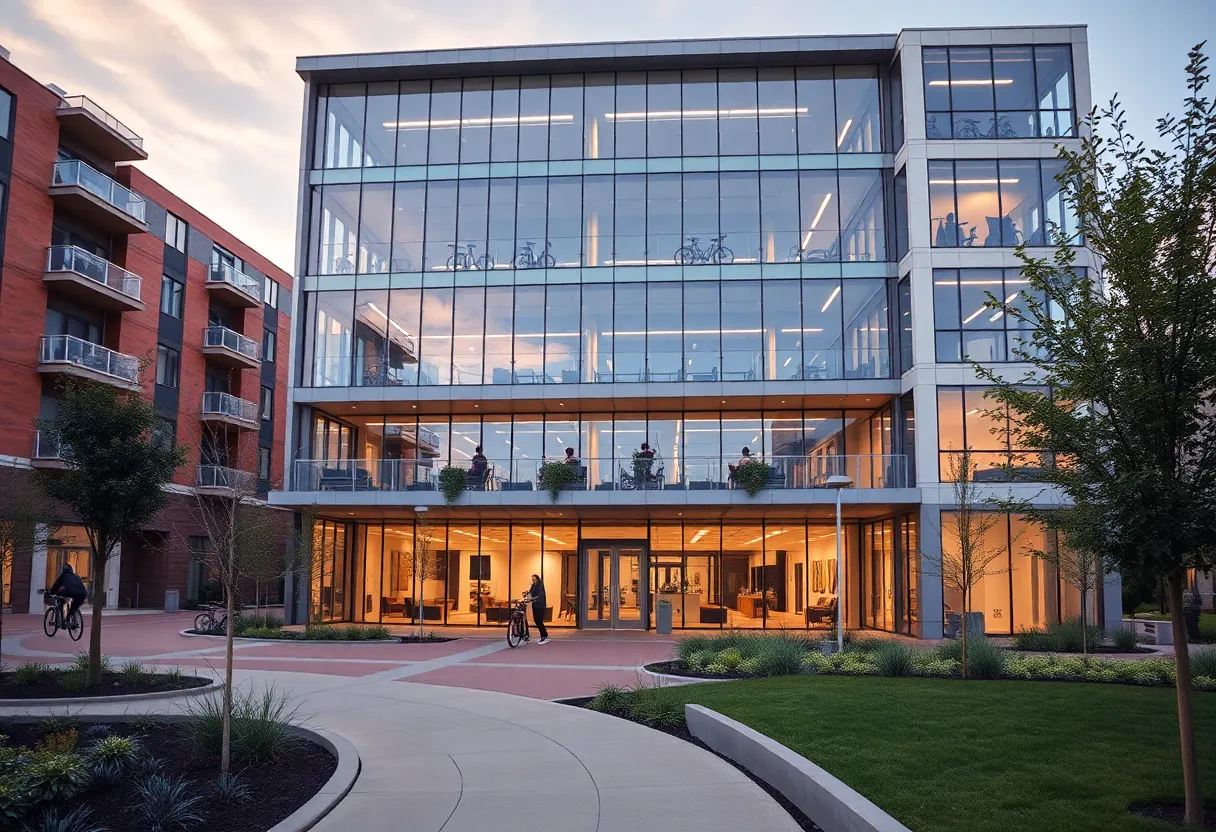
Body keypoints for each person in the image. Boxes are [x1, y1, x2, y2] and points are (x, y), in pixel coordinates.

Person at [48, 563, 87, 630]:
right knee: (74, 607)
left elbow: (56, 586)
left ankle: (64, 619)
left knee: (59, 596)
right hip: (82, 593)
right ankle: (73, 618)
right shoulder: (76, 576)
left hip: (69, 591)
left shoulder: (63, 576)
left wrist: (52, 592)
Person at [526, 574, 549, 644]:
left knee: (539, 621)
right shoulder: (533, 585)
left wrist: (532, 598)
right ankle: (544, 635)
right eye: (532, 579)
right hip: (535, 605)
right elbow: (530, 592)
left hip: (540, 605)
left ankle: (544, 636)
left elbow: (540, 595)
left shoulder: (540, 585)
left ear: (537, 579)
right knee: (536, 620)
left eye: (534, 579)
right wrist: (527, 594)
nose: (533, 581)